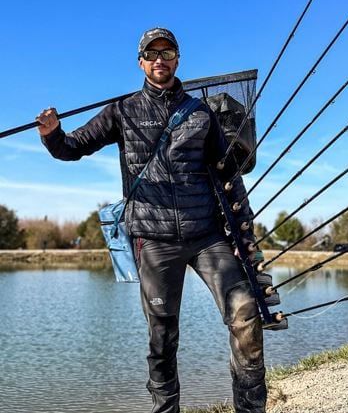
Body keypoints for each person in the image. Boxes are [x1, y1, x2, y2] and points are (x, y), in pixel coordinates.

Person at [36, 27, 266, 413]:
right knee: (162, 336)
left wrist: (246, 230)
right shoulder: (121, 111)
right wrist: (52, 134)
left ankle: (251, 406)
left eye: (168, 52)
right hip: (153, 240)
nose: (160, 59)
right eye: (152, 53)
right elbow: (72, 147)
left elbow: (229, 171)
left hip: (207, 235)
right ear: (141, 62)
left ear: (178, 60)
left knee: (244, 312)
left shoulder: (201, 114)